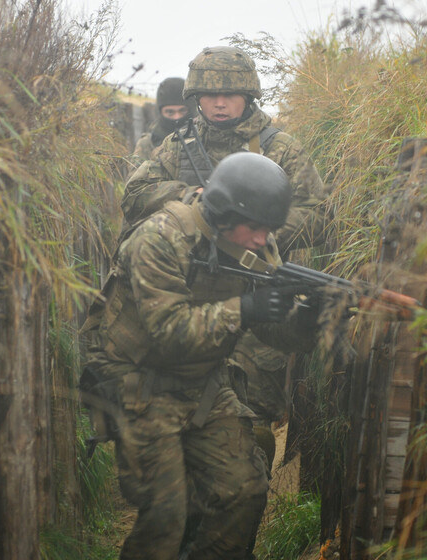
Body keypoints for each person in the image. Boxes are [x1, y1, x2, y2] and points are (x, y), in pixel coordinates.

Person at [80, 152, 319, 560]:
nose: (263, 239)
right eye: (256, 228)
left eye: (269, 229)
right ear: (224, 214)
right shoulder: (159, 238)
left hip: (204, 384)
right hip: (139, 382)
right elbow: (169, 333)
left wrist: (310, 317)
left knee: (244, 489)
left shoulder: (253, 243)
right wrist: (245, 309)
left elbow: (274, 332)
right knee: (166, 515)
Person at [122, 45, 333, 470]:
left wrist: (256, 234)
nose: (220, 103)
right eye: (210, 95)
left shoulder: (280, 148)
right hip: (192, 299)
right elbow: (134, 195)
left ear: (249, 96)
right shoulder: (179, 146)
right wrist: (187, 198)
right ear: (195, 97)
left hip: (259, 308)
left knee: (251, 432)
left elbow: (319, 212)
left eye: (231, 94)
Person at [131, 77, 198, 163]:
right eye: (170, 112)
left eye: (182, 111)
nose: (176, 117)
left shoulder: (203, 138)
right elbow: (135, 174)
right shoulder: (147, 144)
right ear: (160, 112)